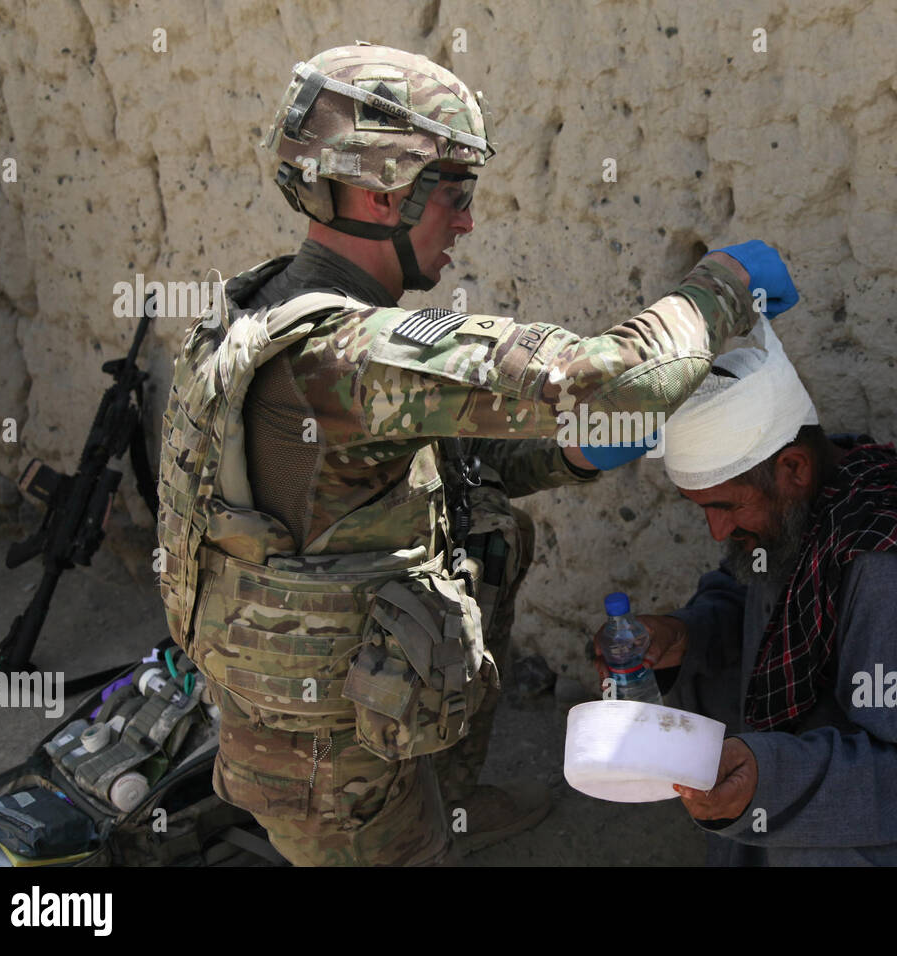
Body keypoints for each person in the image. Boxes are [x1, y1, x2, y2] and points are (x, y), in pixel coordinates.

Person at [154, 42, 796, 866]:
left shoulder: (277, 302)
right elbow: (607, 381)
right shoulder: (345, 352)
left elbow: (431, 472)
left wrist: (573, 458)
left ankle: (446, 802)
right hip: (329, 770)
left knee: (488, 534)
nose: (466, 221)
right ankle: (421, 828)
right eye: (452, 195)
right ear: (381, 191)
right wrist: (724, 287)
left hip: (354, 704)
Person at [601, 317, 897, 865]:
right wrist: (684, 635)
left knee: (800, 833)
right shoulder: (801, 509)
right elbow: (750, 605)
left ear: (792, 468)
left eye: (724, 508)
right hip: (885, 785)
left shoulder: (892, 572)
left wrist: (767, 778)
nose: (716, 532)